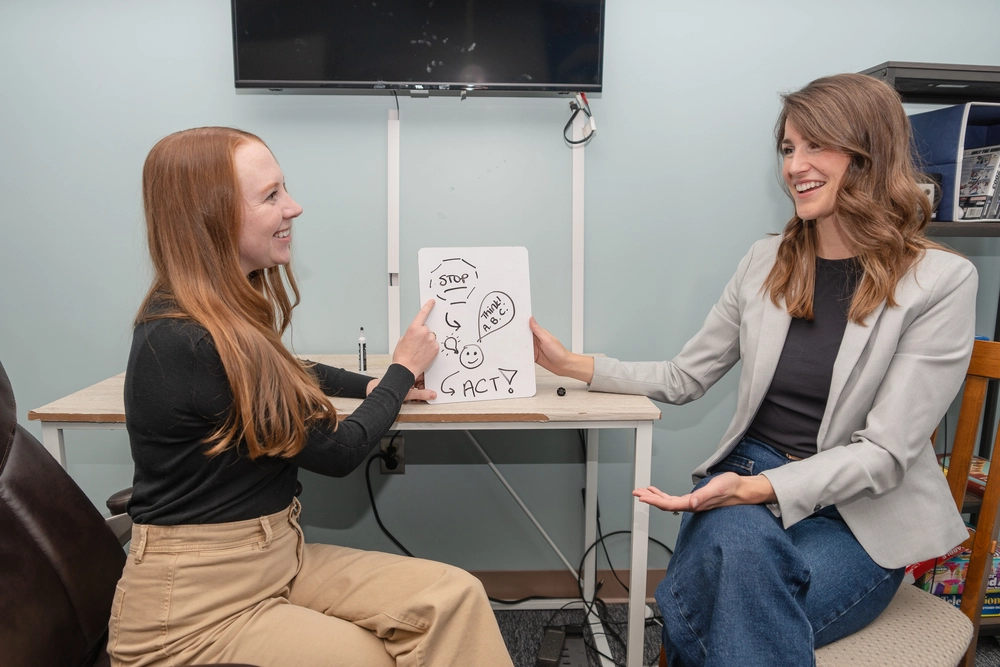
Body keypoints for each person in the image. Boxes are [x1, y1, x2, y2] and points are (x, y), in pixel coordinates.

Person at [530, 73, 978, 666]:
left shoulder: (941, 281)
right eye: (789, 148)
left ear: (869, 154)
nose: (796, 165)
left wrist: (761, 490)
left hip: (862, 516)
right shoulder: (766, 260)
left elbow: (885, 452)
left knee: (716, 594)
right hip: (745, 479)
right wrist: (573, 364)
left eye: (816, 144)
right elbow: (683, 377)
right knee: (739, 554)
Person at [109, 126, 514, 667]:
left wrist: (369, 385)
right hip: (193, 609)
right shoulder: (186, 338)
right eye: (271, 196)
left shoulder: (218, 315)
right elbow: (340, 451)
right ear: (211, 215)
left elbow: (283, 369)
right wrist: (400, 372)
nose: (293, 208)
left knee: (454, 599)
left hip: (277, 557)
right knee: (369, 658)